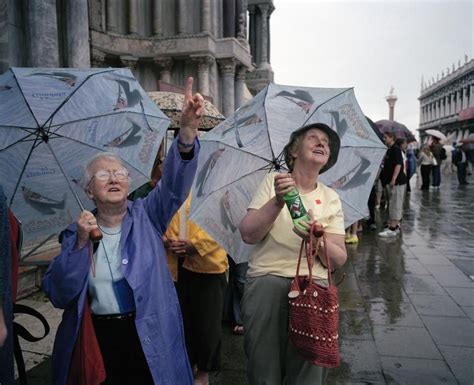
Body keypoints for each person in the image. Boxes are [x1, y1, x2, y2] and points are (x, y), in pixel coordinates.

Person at [42, 77, 203, 385]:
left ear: (130, 182)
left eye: (120, 173)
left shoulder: (149, 214)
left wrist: (186, 132)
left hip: (147, 333)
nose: (114, 178)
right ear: (89, 190)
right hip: (97, 337)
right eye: (103, 174)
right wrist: (79, 243)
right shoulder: (75, 232)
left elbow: (173, 184)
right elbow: (58, 294)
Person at [239, 123, 347, 385]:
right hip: (268, 279)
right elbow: (248, 234)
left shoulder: (331, 197)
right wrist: (278, 199)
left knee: (309, 370)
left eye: (326, 142)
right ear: (294, 150)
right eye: (313, 138)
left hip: (314, 285)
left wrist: (317, 240)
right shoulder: (271, 183)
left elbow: (338, 258)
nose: (321, 143)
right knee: (264, 367)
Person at [164, 193, 228, 385]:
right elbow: (160, 217)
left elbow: (224, 224)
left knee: (207, 323)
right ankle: (186, 365)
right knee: (181, 320)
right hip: (174, 262)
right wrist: (166, 239)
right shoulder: (170, 186)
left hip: (208, 265)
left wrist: (196, 246)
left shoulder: (217, 186)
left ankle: (203, 373)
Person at [378, 132, 407, 238]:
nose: (384, 139)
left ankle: (393, 228)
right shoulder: (389, 149)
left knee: (396, 204)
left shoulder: (396, 149)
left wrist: (393, 179)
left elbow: (398, 164)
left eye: (386, 137)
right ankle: (394, 225)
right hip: (389, 182)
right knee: (391, 204)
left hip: (397, 182)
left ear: (392, 137)